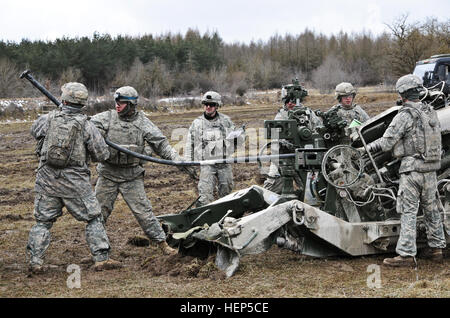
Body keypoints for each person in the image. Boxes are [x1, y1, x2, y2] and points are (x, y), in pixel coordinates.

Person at [27, 82, 121, 273]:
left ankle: (36, 261)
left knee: (42, 222)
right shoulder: (87, 125)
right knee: (94, 218)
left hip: (47, 181)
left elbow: (34, 132)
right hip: (75, 184)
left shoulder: (47, 119)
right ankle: (101, 258)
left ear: (63, 100)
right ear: (82, 103)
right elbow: (102, 154)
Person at [91, 86, 194, 256]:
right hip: (108, 174)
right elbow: (86, 128)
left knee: (144, 213)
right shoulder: (106, 118)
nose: (117, 105)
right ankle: (98, 252)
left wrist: (177, 160)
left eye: (122, 102)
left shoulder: (143, 123)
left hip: (131, 176)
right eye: (116, 101)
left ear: (131, 104)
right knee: (98, 214)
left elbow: (161, 144)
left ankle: (162, 244)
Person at [363, 74, 447, 267]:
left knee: (408, 211)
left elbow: (386, 143)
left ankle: (407, 254)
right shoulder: (431, 111)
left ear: (402, 93)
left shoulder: (404, 115)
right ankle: (436, 249)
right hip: (431, 170)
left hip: (412, 171)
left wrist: (364, 150)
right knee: (432, 209)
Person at [185, 91, 245, 207]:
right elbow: (189, 145)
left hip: (223, 163)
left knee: (227, 195)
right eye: (206, 104)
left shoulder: (226, 121)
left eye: (211, 105)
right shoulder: (197, 124)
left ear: (217, 106)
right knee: (205, 197)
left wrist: (240, 136)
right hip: (206, 164)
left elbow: (236, 139)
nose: (208, 107)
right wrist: (189, 164)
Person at [263, 93, 322, 194]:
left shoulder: (309, 114)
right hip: (284, 157)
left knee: (313, 189)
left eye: (294, 100)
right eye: (288, 101)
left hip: (305, 157)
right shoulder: (281, 116)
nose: (290, 103)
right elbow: (276, 136)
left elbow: (318, 130)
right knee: (271, 188)